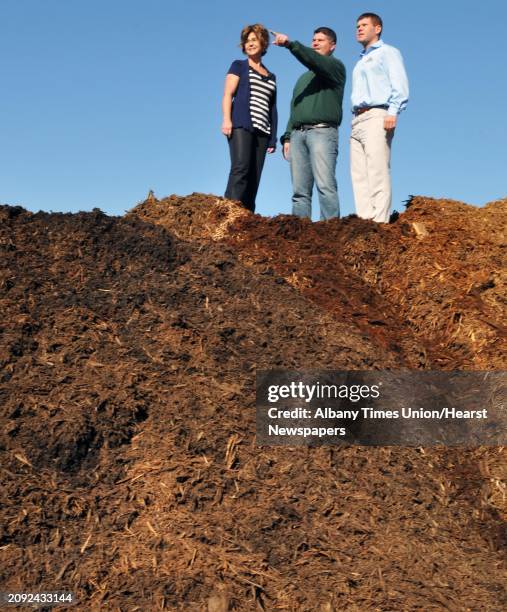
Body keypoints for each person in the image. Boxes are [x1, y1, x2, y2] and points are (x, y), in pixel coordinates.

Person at [273, 28, 346, 220]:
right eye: (313, 39)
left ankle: (330, 231)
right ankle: (300, 236)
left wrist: (290, 44)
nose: (315, 43)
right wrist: (288, 136)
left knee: (325, 186)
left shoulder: (335, 67)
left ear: (332, 46)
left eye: (320, 40)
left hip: (322, 133)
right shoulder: (303, 79)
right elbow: (295, 106)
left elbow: (314, 61)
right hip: (298, 136)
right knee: (299, 192)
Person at [350, 13, 409, 223]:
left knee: (377, 169)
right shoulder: (361, 60)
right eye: (357, 25)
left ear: (378, 28)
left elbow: (399, 84)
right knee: (359, 174)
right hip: (357, 118)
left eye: (364, 25)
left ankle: (380, 221)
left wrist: (393, 111)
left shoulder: (388, 53)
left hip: (378, 114)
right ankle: (365, 221)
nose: (359, 28)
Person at [222, 24, 277, 213]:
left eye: (254, 40)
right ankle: (228, 213)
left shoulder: (271, 76)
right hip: (241, 125)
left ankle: (247, 217)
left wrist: (273, 137)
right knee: (241, 169)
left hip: (262, 131)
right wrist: (226, 120)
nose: (250, 44)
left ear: (263, 43)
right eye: (247, 41)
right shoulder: (239, 66)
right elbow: (228, 94)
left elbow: (272, 108)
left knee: (255, 176)